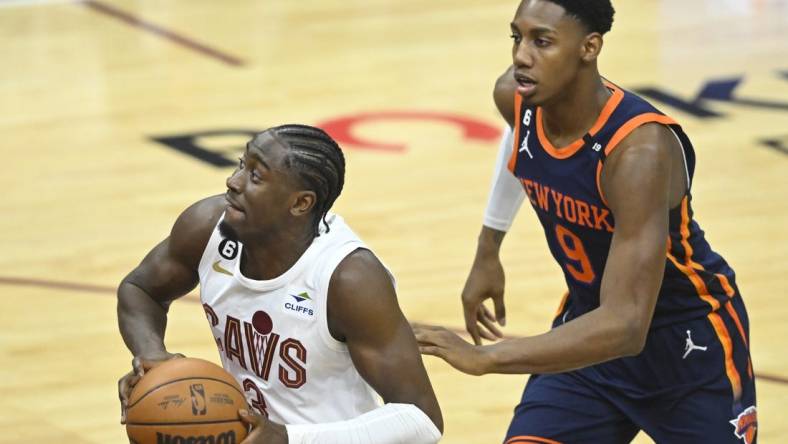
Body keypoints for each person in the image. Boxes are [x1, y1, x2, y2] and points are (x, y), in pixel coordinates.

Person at [413, 1, 757, 443]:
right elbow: (520, 141)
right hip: (588, 336)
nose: (521, 55)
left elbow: (628, 325)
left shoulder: (638, 153)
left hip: (686, 349)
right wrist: (488, 247)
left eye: (543, 41)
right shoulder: (515, 97)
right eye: (517, 36)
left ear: (589, 47)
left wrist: (489, 358)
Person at [117, 124, 443, 444]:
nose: (233, 181)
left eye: (256, 177)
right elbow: (142, 289)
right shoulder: (208, 227)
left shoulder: (349, 278)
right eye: (242, 165)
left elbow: (422, 421)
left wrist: (289, 438)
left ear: (301, 203)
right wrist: (152, 355)